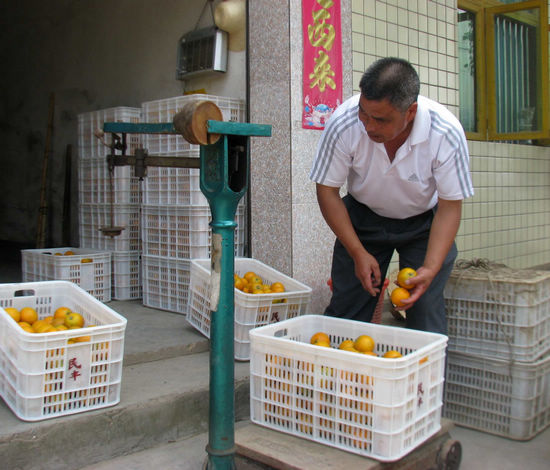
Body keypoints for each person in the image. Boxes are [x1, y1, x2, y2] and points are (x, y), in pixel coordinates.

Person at [309, 57, 474, 334]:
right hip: (362, 221)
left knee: (425, 315)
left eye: (381, 120)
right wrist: (357, 251)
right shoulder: (345, 122)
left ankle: (421, 376)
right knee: (347, 313)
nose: (369, 126)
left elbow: (449, 206)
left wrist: (431, 268)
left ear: (410, 112)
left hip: (425, 226)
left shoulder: (445, 132)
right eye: (364, 113)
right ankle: (344, 375)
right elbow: (327, 190)